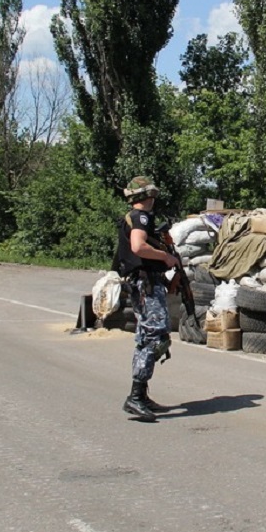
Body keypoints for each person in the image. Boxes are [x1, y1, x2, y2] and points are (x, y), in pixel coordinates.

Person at [115, 175, 178, 422]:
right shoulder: (140, 217)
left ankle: (140, 394)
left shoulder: (136, 218)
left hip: (146, 283)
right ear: (146, 195)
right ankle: (136, 397)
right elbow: (138, 247)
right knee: (156, 336)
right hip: (145, 286)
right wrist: (164, 257)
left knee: (146, 337)